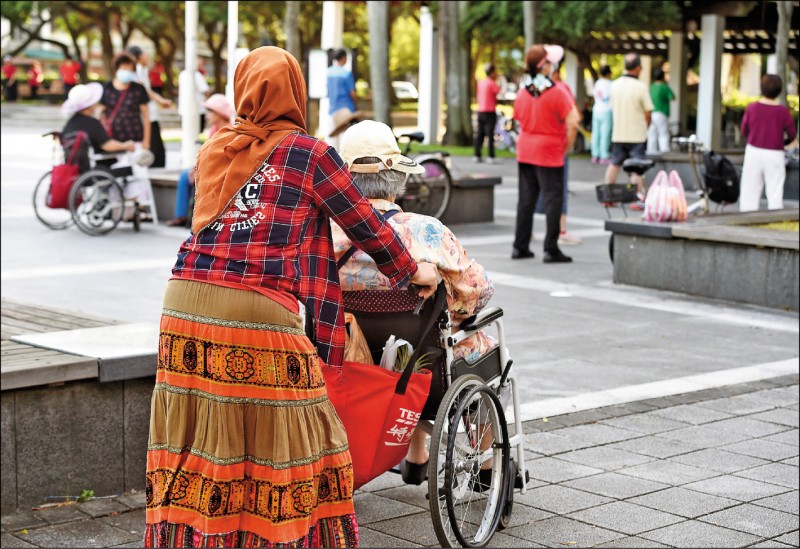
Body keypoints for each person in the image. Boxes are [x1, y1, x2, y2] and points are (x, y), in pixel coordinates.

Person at [143, 46, 438, 548]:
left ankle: (206, 538)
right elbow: (366, 224)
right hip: (254, 303)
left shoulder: (217, 147)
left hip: (183, 303)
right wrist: (413, 270)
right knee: (298, 430)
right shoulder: (310, 153)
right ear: (295, 92)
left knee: (207, 433)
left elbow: (216, 230)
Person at [332, 119, 501, 484]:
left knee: (424, 338)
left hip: (350, 364)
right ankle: (486, 468)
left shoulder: (325, 233)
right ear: (396, 180)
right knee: (475, 341)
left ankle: (416, 454)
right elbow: (478, 289)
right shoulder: (426, 231)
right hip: (426, 373)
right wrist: (455, 307)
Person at [511, 44, 580, 264]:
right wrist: (566, 146)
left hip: (526, 149)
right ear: (545, 66)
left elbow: (518, 119)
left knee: (525, 200)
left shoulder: (523, 92)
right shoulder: (557, 91)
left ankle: (519, 246)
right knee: (553, 199)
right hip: (549, 151)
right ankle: (551, 249)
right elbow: (574, 122)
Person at [166, 93, 235, 227]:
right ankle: (181, 215)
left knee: (188, 177)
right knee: (185, 176)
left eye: (210, 111)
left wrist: (199, 171)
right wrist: (197, 169)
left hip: (219, 170)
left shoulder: (229, 130)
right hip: (208, 167)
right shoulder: (214, 130)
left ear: (219, 113)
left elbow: (220, 158)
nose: (207, 114)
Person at [535, 59, 582, 247]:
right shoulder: (561, 89)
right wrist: (567, 147)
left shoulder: (533, 89)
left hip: (534, 146)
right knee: (558, 189)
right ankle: (560, 231)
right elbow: (574, 120)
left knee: (533, 188)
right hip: (556, 145)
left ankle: (527, 232)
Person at [739, 74, 797, 212]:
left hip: (753, 151)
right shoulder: (782, 111)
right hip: (775, 153)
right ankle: (774, 221)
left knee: (750, 190)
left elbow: (743, 130)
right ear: (779, 90)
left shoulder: (752, 108)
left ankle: (746, 221)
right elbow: (792, 134)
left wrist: (754, 137)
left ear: (761, 88)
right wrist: (783, 143)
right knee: (774, 191)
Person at [604, 53, 653, 205]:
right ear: (638, 68)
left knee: (614, 164)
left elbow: (611, 108)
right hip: (636, 134)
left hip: (618, 133)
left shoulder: (614, 86)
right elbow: (648, 112)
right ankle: (636, 199)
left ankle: (607, 197)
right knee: (636, 168)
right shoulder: (641, 87)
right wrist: (646, 127)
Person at [61, 82, 136, 171]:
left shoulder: (70, 123)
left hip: (75, 168)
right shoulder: (91, 123)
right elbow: (108, 146)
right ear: (90, 105)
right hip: (96, 169)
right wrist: (126, 146)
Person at [127, 45, 172, 168]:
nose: (147, 57)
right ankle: (153, 165)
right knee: (153, 142)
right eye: (145, 54)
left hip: (150, 112)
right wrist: (161, 100)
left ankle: (155, 164)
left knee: (155, 141)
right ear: (139, 56)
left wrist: (160, 100)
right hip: (146, 113)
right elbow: (145, 91)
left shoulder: (141, 70)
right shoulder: (135, 71)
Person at [99, 52, 150, 150]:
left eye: (129, 69)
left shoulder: (138, 89)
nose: (126, 71)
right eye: (123, 69)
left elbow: (146, 117)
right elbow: (101, 112)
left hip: (135, 139)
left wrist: (146, 141)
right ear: (117, 69)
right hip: (113, 140)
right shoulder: (107, 87)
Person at [473, 63, 504, 164]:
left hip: (481, 111)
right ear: (492, 72)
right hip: (490, 112)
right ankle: (491, 156)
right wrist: (501, 80)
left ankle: (477, 154)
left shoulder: (481, 83)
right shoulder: (492, 83)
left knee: (480, 134)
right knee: (490, 134)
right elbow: (500, 92)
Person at [326, 48, 357, 147]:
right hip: (346, 107)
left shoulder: (329, 72)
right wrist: (356, 103)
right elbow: (352, 92)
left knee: (335, 138)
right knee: (346, 138)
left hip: (333, 108)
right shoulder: (346, 74)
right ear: (343, 58)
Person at [178, 57, 211, 133]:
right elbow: (206, 91)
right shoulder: (197, 75)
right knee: (197, 132)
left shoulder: (182, 74)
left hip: (184, 109)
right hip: (198, 110)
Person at [647, 67, 675, 154]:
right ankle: (664, 151)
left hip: (652, 113)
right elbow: (672, 97)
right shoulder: (664, 87)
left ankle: (651, 151)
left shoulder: (651, 87)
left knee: (652, 133)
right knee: (663, 133)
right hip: (661, 113)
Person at [591, 64, 613, 164]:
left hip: (596, 110)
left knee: (596, 133)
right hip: (606, 110)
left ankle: (595, 154)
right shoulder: (610, 84)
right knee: (605, 134)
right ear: (609, 73)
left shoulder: (597, 83)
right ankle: (604, 155)